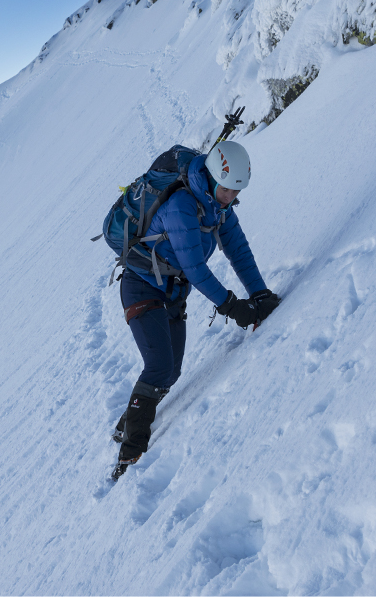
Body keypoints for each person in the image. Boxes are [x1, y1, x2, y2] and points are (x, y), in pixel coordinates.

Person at [111, 140, 280, 480]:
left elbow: (239, 250)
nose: (231, 197)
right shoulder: (181, 207)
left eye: (237, 190)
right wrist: (233, 307)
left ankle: (127, 422)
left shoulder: (219, 208)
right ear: (214, 177)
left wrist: (259, 294)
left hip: (172, 292)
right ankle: (129, 454)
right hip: (141, 286)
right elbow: (196, 269)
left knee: (171, 372)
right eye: (228, 188)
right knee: (158, 366)